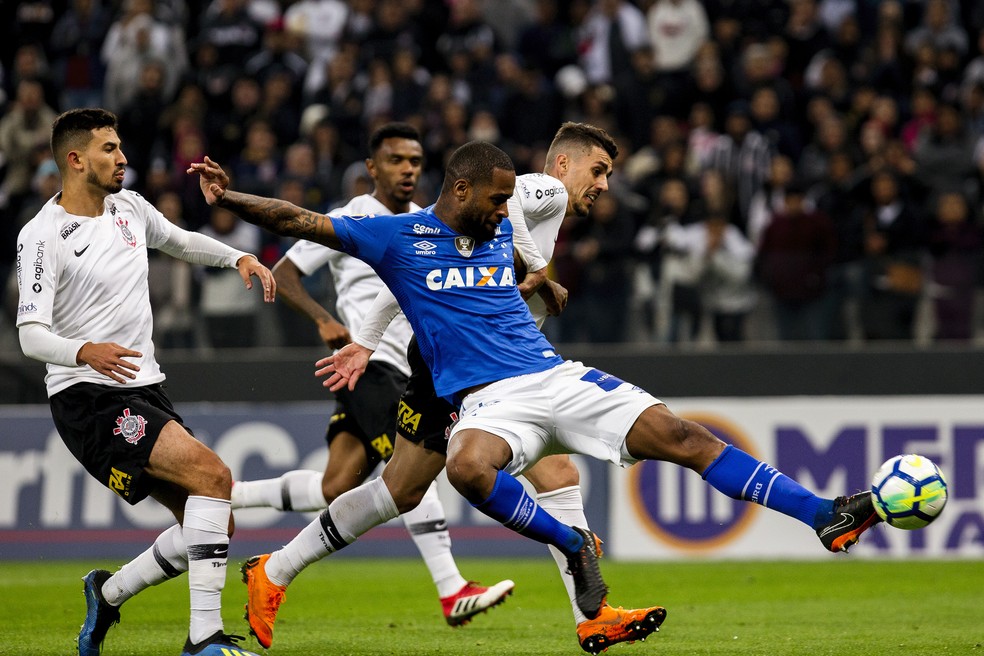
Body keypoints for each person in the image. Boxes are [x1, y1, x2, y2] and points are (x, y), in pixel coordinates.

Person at [189, 139, 880, 652]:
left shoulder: (497, 232)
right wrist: (231, 199)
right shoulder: (411, 232)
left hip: (549, 373)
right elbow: (297, 221)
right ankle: (577, 563)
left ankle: (824, 514)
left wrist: (540, 282)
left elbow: (510, 267)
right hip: (466, 389)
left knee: (682, 437)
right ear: (463, 192)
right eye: (496, 202)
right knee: (432, 479)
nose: (506, 212)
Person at [230, 122, 516, 626]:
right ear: (372, 167)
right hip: (370, 364)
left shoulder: (431, 222)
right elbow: (290, 272)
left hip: (408, 368)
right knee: (414, 472)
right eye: (396, 160)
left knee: (336, 485)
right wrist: (323, 319)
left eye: (415, 161)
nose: (407, 170)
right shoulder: (354, 217)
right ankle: (451, 589)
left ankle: (223, 496)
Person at [16, 108, 275, 656]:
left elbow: (181, 242)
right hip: (87, 396)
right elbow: (30, 336)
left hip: (142, 388)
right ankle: (203, 640)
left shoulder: (129, 207)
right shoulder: (42, 236)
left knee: (212, 527)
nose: (123, 158)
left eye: (121, 147)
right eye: (109, 148)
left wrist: (240, 258)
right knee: (214, 475)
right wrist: (84, 350)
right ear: (75, 158)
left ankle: (107, 594)